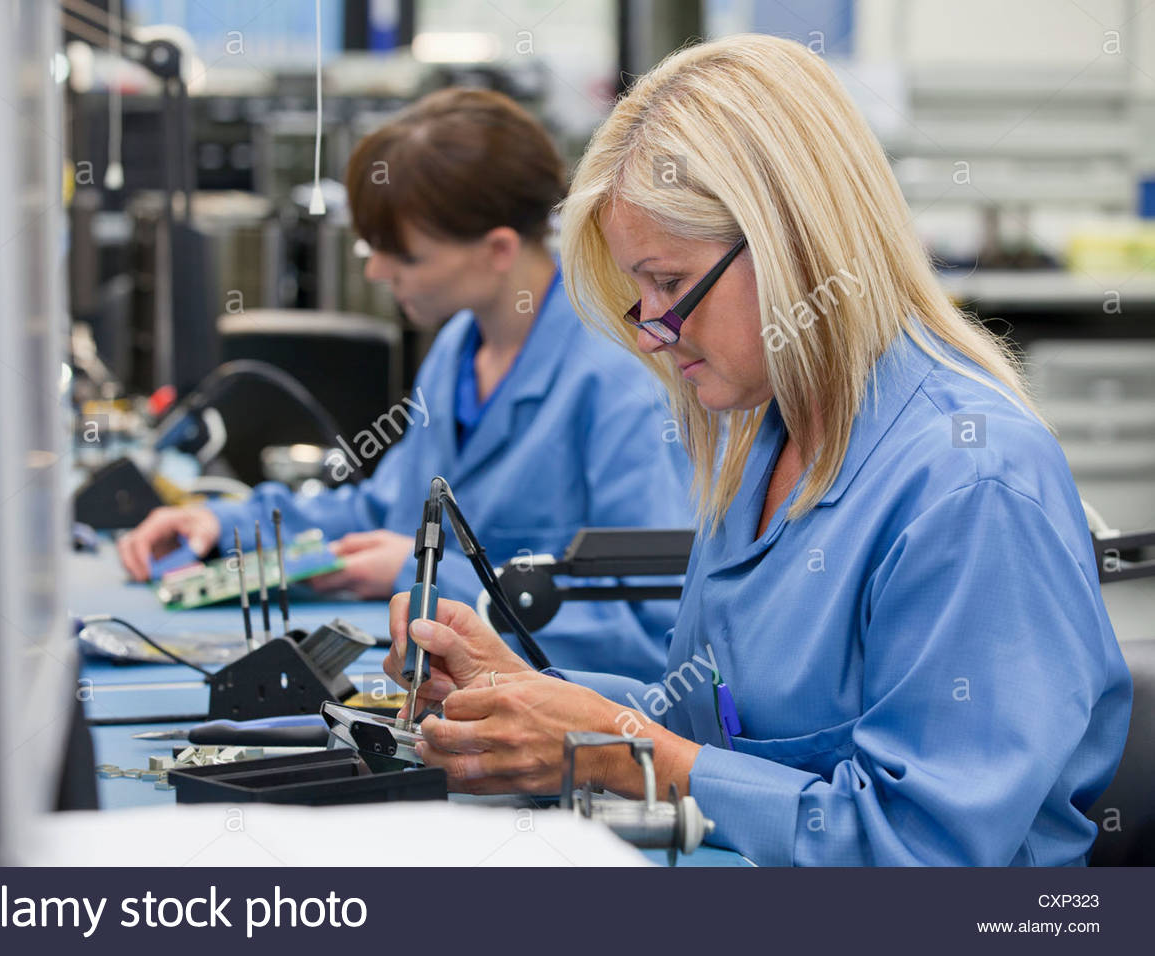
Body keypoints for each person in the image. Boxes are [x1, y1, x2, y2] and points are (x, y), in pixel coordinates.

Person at [381, 36, 1132, 866]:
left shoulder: (969, 482)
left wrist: (613, 751)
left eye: (670, 284)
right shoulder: (765, 441)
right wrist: (523, 693)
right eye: (640, 295)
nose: (656, 332)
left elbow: (926, 852)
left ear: (793, 245)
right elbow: (720, 735)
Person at [117, 88, 690, 681]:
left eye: (405, 256)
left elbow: (649, 629)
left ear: (498, 249)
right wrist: (228, 526)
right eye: (373, 248)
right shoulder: (457, 349)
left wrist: (428, 584)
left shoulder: (621, 380)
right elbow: (383, 509)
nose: (375, 272)